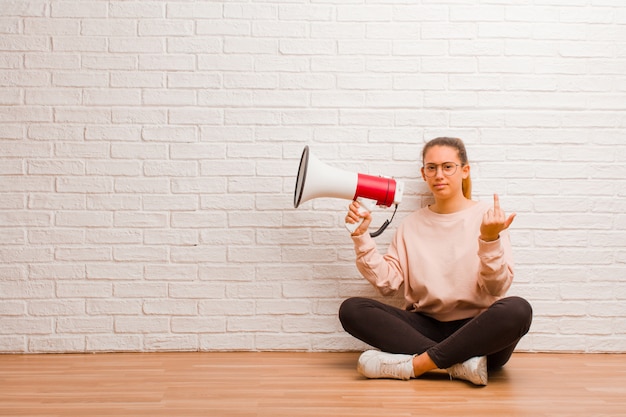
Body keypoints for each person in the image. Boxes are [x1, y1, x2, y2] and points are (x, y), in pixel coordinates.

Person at [339, 137, 533, 386]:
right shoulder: (411, 225)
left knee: (519, 309)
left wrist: (489, 239)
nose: (439, 174)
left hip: (478, 333)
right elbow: (387, 284)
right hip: (424, 328)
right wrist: (360, 236)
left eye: (447, 166)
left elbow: (497, 289)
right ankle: (461, 365)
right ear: (424, 173)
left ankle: (418, 365)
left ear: (465, 171)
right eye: (432, 167)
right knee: (352, 309)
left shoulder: (489, 219)